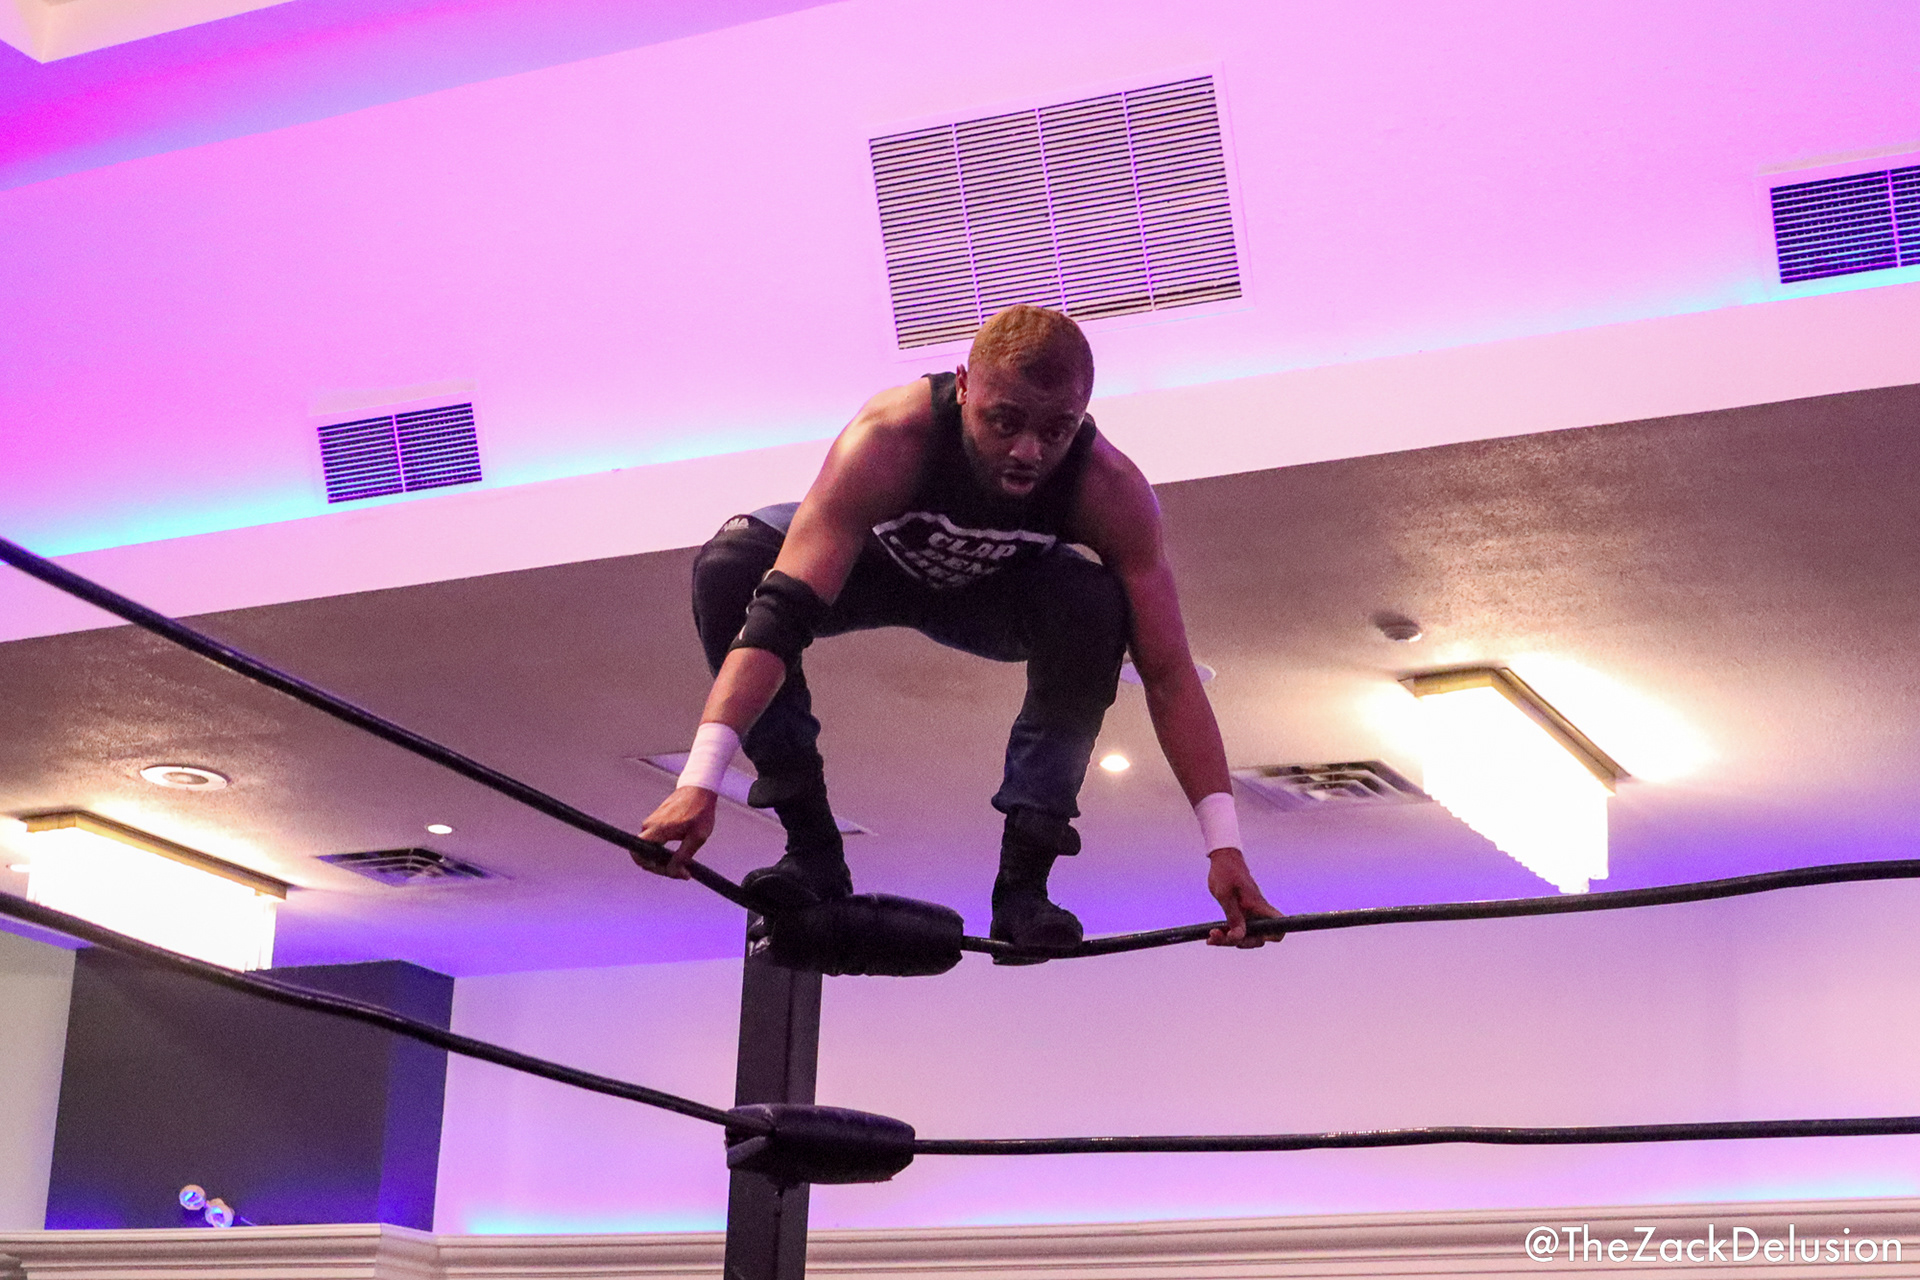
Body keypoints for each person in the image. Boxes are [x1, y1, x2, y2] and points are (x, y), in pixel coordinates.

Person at [638, 305, 1281, 958]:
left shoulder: (1109, 488)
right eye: (1004, 421)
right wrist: (701, 778)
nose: (1029, 451)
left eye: (1056, 430)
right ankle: (812, 851)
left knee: (1093, 602)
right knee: (734, 565)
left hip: (987, 600)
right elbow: (782, 618)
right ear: (965, 386)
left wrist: (1224, 848)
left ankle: (1023, 890)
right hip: (866, 572)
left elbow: (1169, 675)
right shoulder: (890, 437)